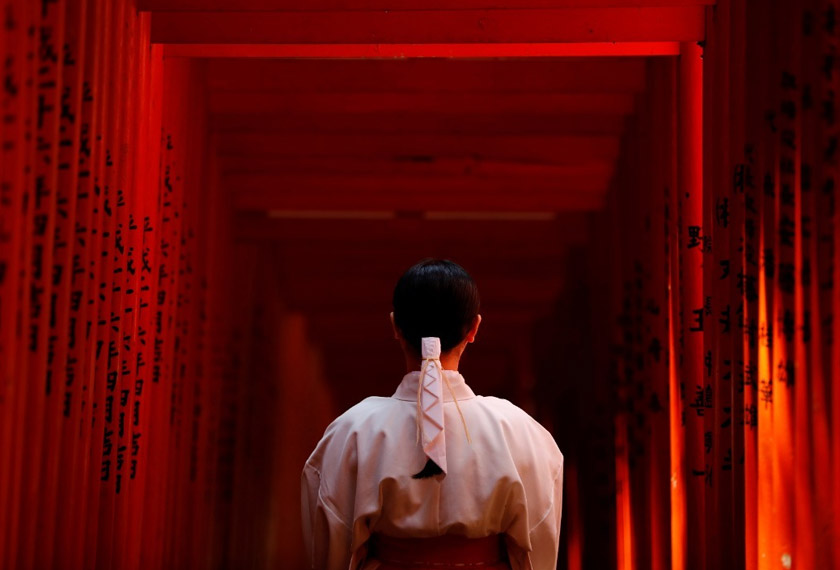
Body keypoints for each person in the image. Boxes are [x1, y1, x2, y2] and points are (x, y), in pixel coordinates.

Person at [301, 259, 564, 570]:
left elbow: (331, 549)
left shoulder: (351, 431)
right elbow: (538, 548)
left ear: (395, 326)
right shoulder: (521, 431)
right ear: (473, 329)